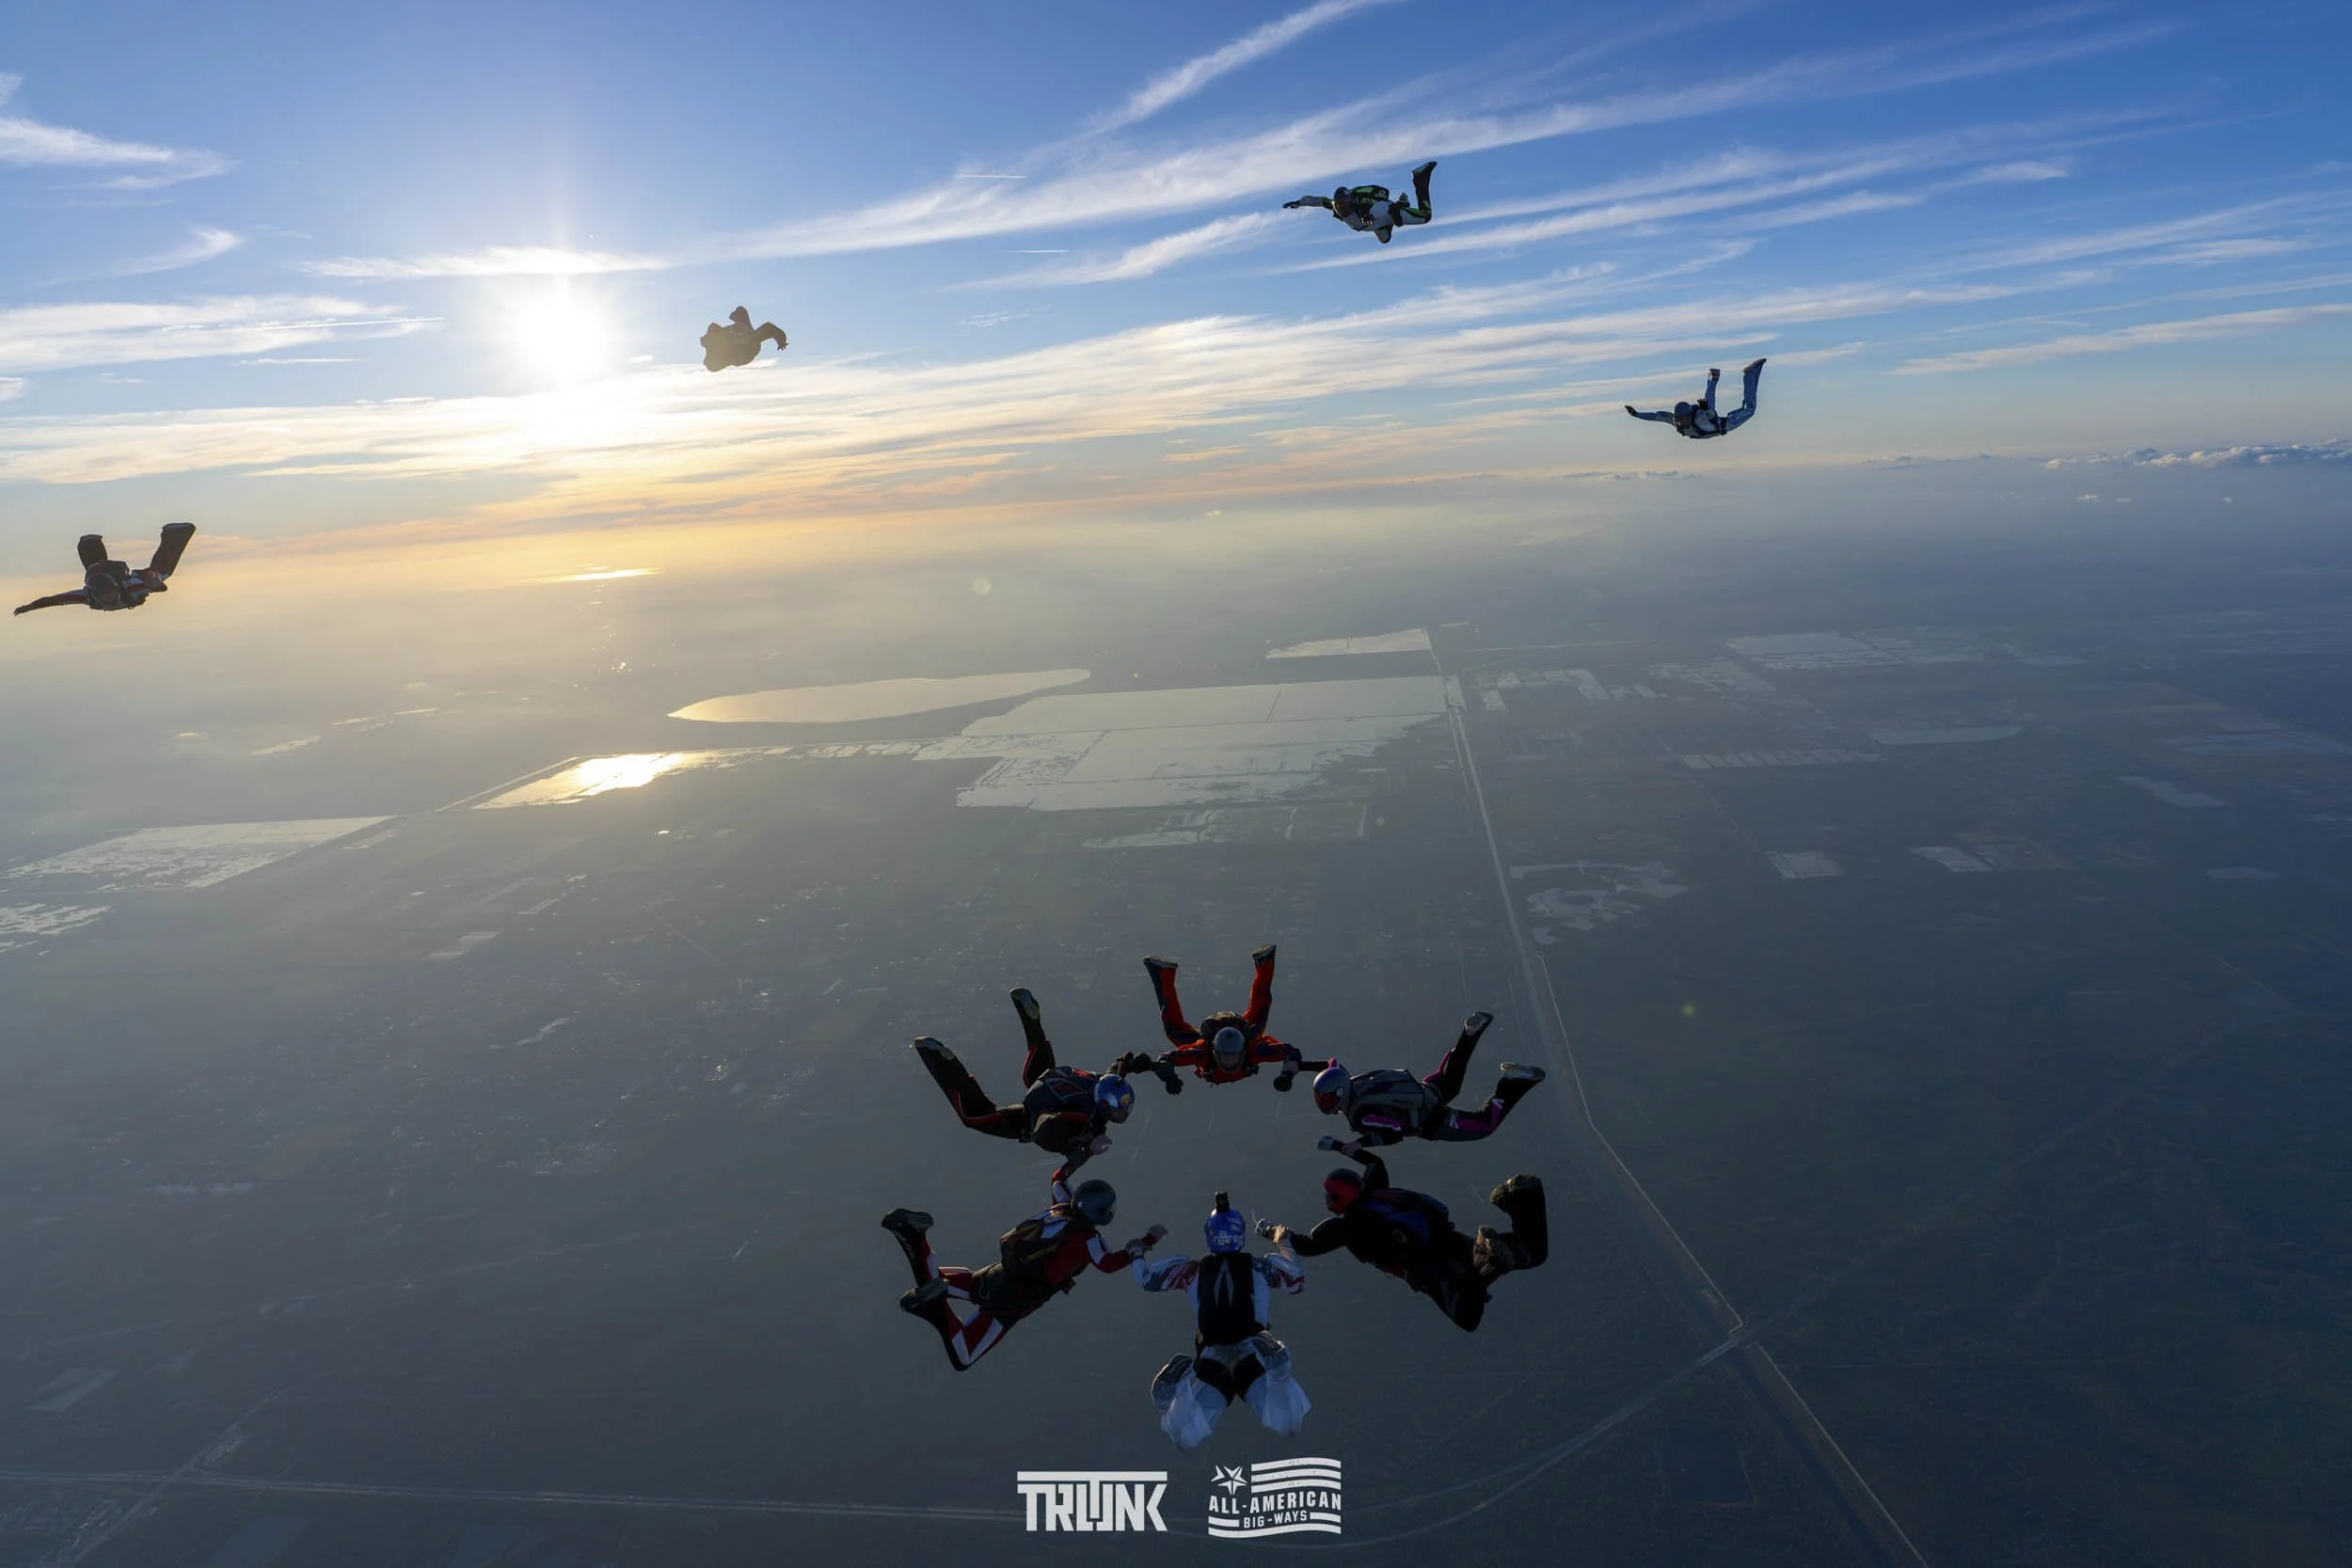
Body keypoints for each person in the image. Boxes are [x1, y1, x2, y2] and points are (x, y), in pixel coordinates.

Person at [882, 1170, 1168, 1370]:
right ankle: (934, 1309)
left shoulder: (1062, 1208)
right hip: (1015, 1300)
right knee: (964, 1354)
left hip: (1001, 1273)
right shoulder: (1089, 1240)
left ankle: (915, 1236)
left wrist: (1085, 1152)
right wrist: (1144, 1243)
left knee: (939, 1282)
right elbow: (1108, 1264)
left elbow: (1058, 1179)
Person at [1260, 1148, 1546, 1332]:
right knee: (1533, 1253)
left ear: (1339, 1199)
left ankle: (1489, 1258)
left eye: (1330, 1195)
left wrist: (1271, 1231)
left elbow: (1306, 1245)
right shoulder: (1374, 1190)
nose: (1326, 1200)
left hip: (1426, 1269)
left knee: (1467, 1314)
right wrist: (1339, 1145)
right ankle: (1521, 1197)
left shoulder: (1346, 1228)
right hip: (1449, 1238)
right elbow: (1374, 1161)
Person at [1136, 1192, 1310, 1449]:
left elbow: (1146, 1280)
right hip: (1253, 1348)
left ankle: (1173, 1397)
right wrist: (1281, 1241)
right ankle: (1279, 1371)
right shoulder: (1260, 1267)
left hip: (1212, 1356)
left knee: (1185, 1439)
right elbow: (1296, 1281)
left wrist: (1138, 1250)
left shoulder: (1192, 1271)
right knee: (1289, 1424)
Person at [912, 988, 1151, 1174]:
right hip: (1035, 1112)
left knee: (1034, 1073)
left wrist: (1138, 1063)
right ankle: (944, 1062)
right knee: (975, 1117)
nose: (1121, 1115)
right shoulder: (1081, 1121)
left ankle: (1031, 1018)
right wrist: (1071, 1150)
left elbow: (1120, 1065)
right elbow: (1045, 1128)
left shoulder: (1105, 1081)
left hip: (1052, 1081)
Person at [1309, 1011, 1544, 1148]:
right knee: (1450, 1081)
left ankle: (1511, 1083)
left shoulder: (1361, 1116)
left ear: (1339, 1094)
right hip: (1422, 1091)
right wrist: (1299, 1066)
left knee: (1484, 1126)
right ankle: (1469, 1035)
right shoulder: (1349, 1079)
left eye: (1327, 1098)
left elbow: (1393, 1133)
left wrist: (1356, 1145)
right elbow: (1332, 1063)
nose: (1323, 1103)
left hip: (1432, 1120)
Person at [1138, 946, 1325, 1092]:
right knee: (1258, 1013)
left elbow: (1165, 1060)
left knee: (1174, 1028)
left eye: (1233, 1057)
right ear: (1215, 1051)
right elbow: (1289, 1051)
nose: (1230, 1062)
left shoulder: (1207, 1053)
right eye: (1227, 1057)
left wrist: (1169, 1077)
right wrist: (1287, 1075)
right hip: (1235, 1032)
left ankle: (1163, 973)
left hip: (1235, 1032)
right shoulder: (1216, 1051)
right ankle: (1265, 963)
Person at [14, 524, 195, 616]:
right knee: (162, 574)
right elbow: (53, 600)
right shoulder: (88, 594)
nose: (109, 599)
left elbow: (54, 600)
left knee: (162, 573)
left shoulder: (130, 587)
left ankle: (176, 533)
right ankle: (175, 534)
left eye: (108, 595)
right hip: (106, 572)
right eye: (106, 597)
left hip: (122, 575)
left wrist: (155, 584)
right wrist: (28, 607)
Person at [1283, 160, 1437, 244]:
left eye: (1344, 205)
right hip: (1372, 225)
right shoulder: (1334, 206)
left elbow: (1380, 206)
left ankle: (1420, 178)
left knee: (1425, 216)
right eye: (1339, 206)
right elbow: (1317, 200)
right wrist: (1299, 202)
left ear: (1351, 201)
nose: (1342, 209)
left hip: (1383, 213)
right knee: (1385, 240)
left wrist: (1372, 216)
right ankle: (1400, 207)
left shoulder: (1362, 201)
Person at [1625, 358, 1766, 439]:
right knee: (1745, 409)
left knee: (1749, 410)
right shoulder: (1674, 420)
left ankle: (1732, 376)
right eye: (1678, 420)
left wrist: (1705, 411)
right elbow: (1655, 416)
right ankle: (1743, 375)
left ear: (1688, 416)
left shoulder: (1699, 417)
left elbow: (1711, 413)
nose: (1679, 423)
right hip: (1714, 427)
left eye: (1681, 420)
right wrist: (1636, 414)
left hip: (1725, 424)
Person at [699, 306, 787, 372]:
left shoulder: (753, 339)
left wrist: (781, 342)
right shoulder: (726, 334)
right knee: (714, 328)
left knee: (712, 361)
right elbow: (770, 328)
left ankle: (718, 356)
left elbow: (770, 329)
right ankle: (715, 354)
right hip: (730, 347)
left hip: (745, 355)